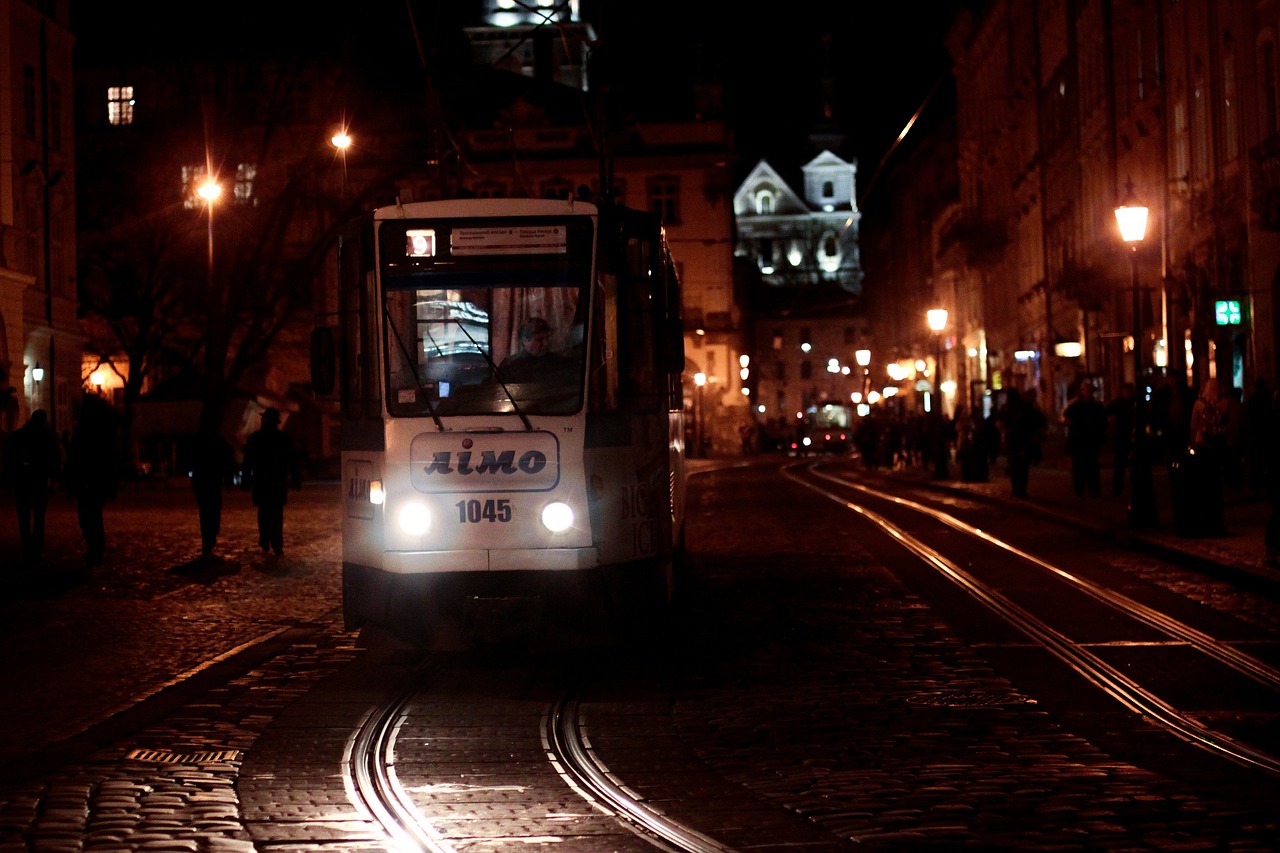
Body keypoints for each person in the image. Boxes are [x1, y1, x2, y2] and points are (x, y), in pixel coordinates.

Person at [67, 395, 120, 568]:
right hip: (96, 480)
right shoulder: (104, 431)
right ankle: (96, 548)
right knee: (93, 516)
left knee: (87, 516)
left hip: (89, 479)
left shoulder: (85, 431)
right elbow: (111, 458)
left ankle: (95, 548)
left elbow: (75, 457)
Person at [4, 409, 61, 566]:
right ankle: (37, 548)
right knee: (39, 515)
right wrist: (54, 477)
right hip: (39, 480)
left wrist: (13, 472)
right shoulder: (46, 437)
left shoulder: (19, 435)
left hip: (23, 480)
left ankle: (27, 546)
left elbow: (9, 455)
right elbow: (55, 457)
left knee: (24, 516)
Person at [240, 407, 300, 556]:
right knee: (276, 514)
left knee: (264, 512)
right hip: (278, 482)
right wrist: (295, 479)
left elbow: (248, 462)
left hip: (261, 481)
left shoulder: (254, 439)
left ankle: (265, 540)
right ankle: (276, 544)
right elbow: (293, 462)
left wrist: (245, 480)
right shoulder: (284, 439)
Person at [190, 424, 235, 558]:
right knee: (213, 508)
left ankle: (208, 538)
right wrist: (228, 480)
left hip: (202, 479)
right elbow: (227, 460)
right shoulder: (218, 439)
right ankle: (210, 536)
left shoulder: (197, 440)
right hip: (212, 479)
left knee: (205, 511)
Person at [997, 388, 1046, 498]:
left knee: (1014, 466)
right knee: (1022, 467)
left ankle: (1016, 489)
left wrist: (1004, 434)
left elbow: (999, 424)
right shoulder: (1026, 407)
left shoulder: (1006, 408)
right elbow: (1036, 421)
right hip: (1023, 441)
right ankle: (1021, 489)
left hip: (1014, 441)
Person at [1061, 380, 1107, 497]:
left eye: (1090, 390)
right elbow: (1064, 417)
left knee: (1092, 466)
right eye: (1086, 390)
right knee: (1079, 467)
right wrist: (1067, 422)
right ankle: (1079, 488)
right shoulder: (1075, 406)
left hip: (1091, 440)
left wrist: (1100, 436)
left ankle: (1094, 489)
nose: (1088, 392)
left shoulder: (1096, 406)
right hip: (1078, 440)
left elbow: (1102, 422)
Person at [498, 317, 570, 382]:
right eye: (539, 339)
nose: (546, 343)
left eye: (547, 338)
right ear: (525, 340)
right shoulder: (510, 365)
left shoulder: (559, 362)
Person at [1106, 382, 1135, 497]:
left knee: (1133, 464)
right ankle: (1117, 488)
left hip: (1132, 436)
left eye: (1129, 391)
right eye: (1125, 391)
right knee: (1120, 464)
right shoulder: (1118, 404)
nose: (1127, 393)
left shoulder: (1134, 403)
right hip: (1121, 436)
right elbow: (1107, 413)